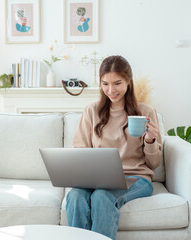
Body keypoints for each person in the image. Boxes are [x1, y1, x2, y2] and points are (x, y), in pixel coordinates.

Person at [66, 55, 162, 240]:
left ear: (128, 81)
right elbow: (79, 150)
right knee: (75, 197)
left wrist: (150, 140)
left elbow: (154, 164)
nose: (111, 90)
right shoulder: (91, 111)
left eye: (117, 83)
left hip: (135, 177)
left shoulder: (146, 112)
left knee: (102, 196)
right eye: (105, 84)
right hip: (96, 179)